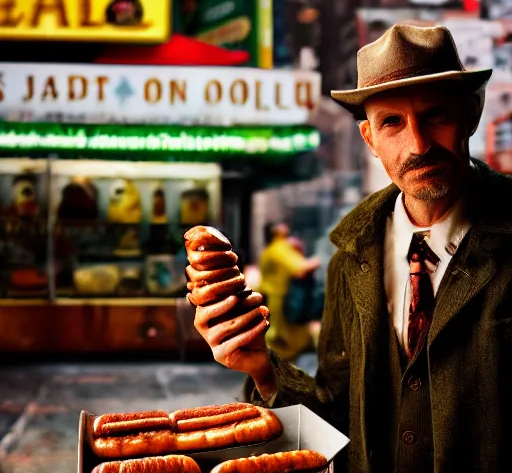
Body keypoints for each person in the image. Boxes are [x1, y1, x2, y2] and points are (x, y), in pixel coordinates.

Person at [193, 24, 512, 473]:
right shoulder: (352, 258)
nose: (417, 144)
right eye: (392, 123)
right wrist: (261, 368)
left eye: (436, 115)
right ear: (370, 140)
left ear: (471, 114)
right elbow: (337, 415)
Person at [257, 223, 321, 361]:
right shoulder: (278, 248)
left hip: (275, 298)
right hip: (281, 300)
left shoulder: (271, 249)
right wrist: (326, 256)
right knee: (283, 338)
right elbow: (301, 268)